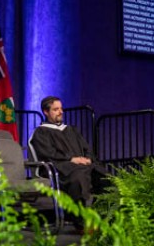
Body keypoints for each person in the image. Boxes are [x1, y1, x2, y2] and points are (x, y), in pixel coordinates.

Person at [29, 96, 109, 229]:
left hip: (80, 166)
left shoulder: (71, 130)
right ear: (46, 112)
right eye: (55, 109)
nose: (60, 111)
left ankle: (103, 217)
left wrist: (88, 159)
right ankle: (81, 221)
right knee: (78, 177)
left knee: (105, 176)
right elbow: (48, 154)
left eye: (61, 108)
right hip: (59, 167)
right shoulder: (41, 132)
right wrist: (71, 159)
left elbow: (86, 148)